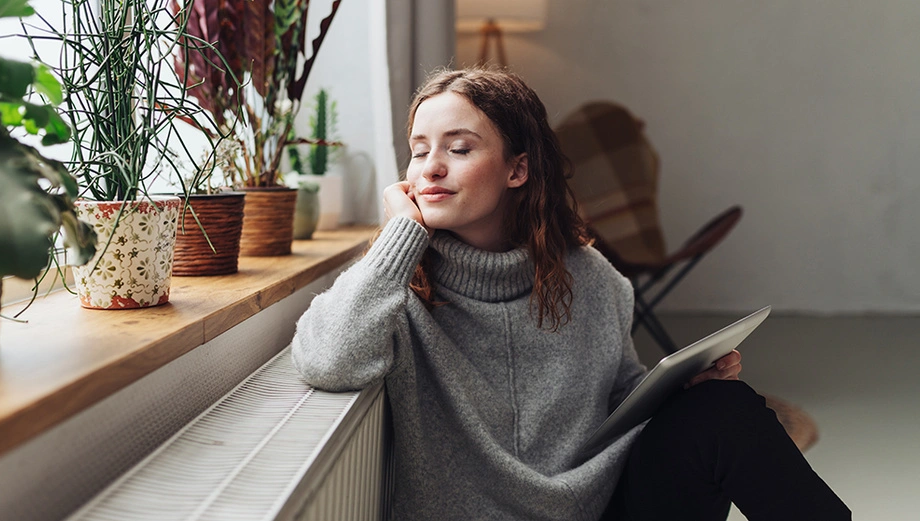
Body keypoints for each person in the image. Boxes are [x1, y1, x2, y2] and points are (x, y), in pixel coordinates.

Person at [291, 68, 850, 520]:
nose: (430, 168)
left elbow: (616, 390)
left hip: (599, 508)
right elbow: (326, 360)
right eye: (418, 150)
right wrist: (401, 236)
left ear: (518, 169)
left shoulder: (590, 277)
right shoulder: (395, 283)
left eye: (458, 149)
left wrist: (680, 390)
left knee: (721, 409)